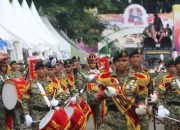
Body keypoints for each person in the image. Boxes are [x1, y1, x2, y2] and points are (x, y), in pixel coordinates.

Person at [95, 50, 150, 130]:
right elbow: (95, 99)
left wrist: (141, 105)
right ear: (113, 62)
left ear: (128, 61)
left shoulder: (139, 78)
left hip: (131, 121)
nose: (121, 63)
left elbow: (141, 98)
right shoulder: (105, 78)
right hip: (111, 121)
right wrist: (104, 94)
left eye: (124, 60)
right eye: (118, 61)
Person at [22, 60, 61, 130]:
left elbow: (63, 95)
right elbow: (25, 101)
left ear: (47, 69)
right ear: (36, 71)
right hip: (35, 116)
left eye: (43, 68)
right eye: (39, 69)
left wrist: (58, 101)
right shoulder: (30, 84)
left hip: (50, 113)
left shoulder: (54, 83)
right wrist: (26, 114)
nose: (41, 71)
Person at [156, 56, 180, 130]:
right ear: (176, 65)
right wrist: (160, 107)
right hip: (173, 115)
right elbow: (158, 95)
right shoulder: (167, 79)